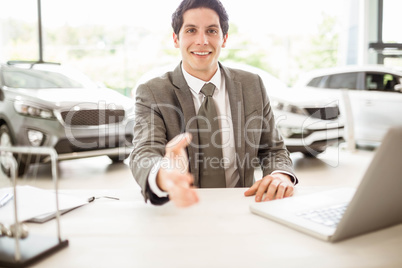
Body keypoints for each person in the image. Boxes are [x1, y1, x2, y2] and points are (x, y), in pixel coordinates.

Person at [130, 0, 297, 207]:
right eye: (191, 30)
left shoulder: (252, 84)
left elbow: (273, 149)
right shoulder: (153, 92)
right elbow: (144, 151)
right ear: (176, 39)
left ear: (224, 39)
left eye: (211, 31)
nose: (202, 40)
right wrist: (163, 175)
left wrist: (280, 175)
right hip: (182, 211)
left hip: (242, 207)